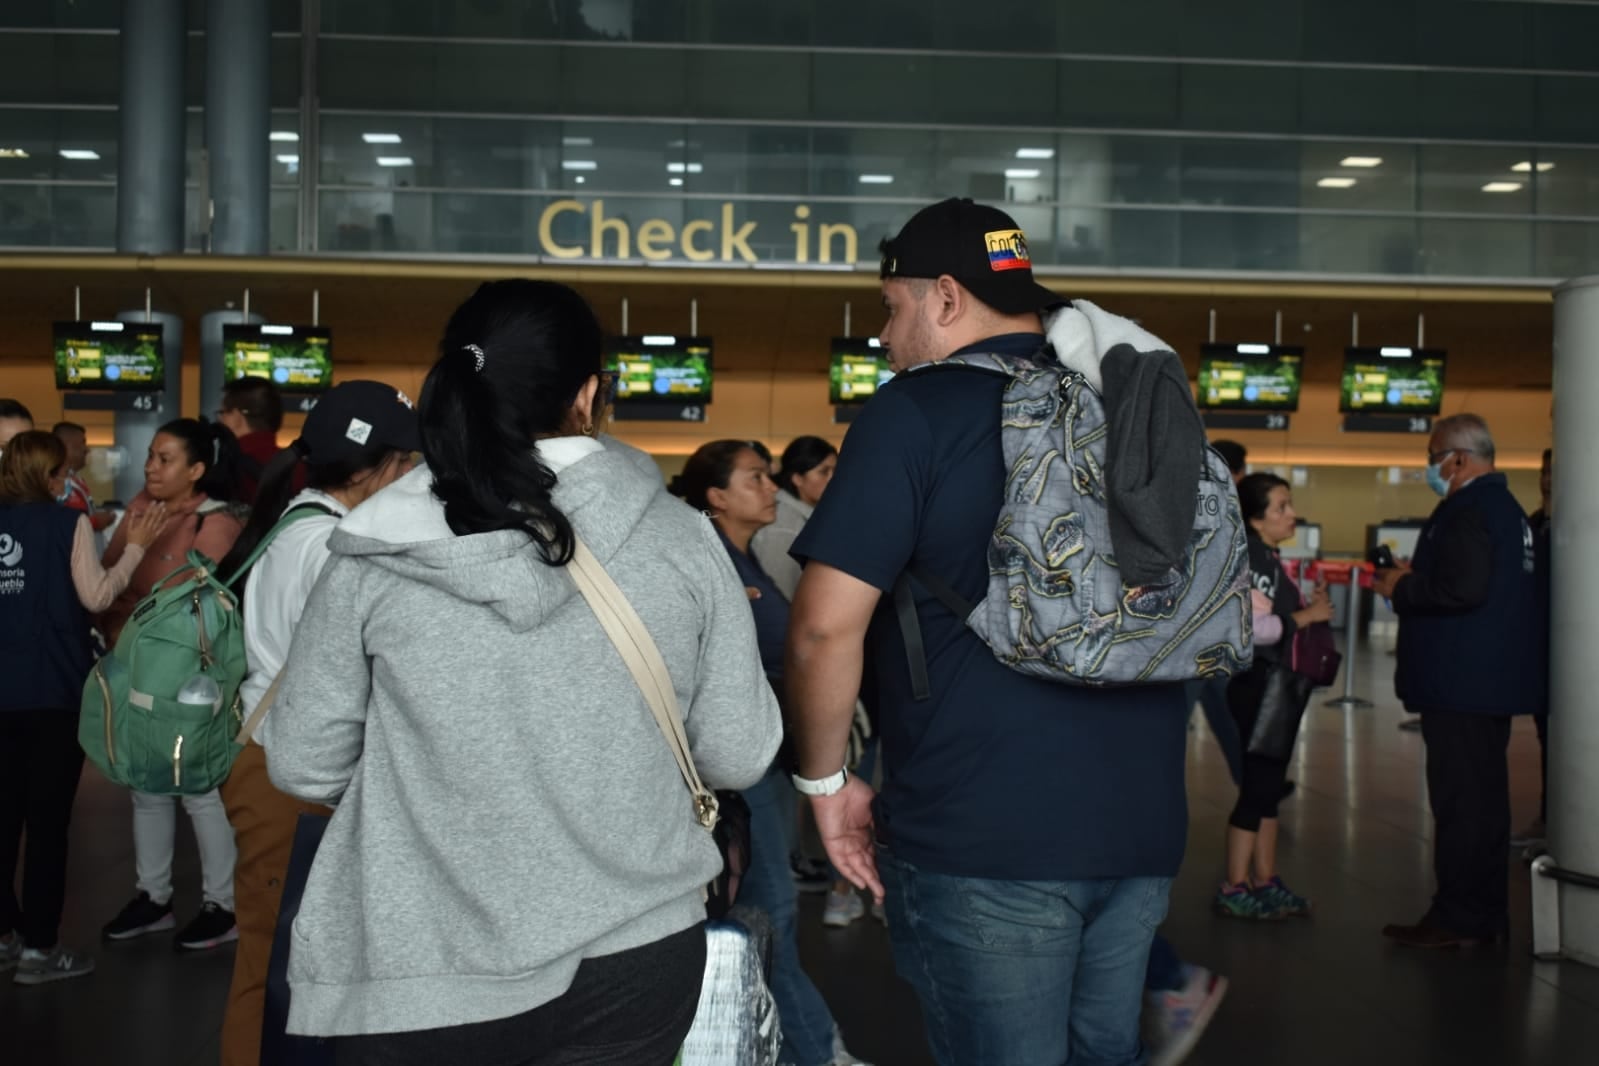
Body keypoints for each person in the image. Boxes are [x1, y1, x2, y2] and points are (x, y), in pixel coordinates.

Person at [260, 279, 782, 1063]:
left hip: (420, 964)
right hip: (634, 953)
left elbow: (303, 761)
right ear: (588, 393)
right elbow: (736, 753)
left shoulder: (373, 552)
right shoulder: (683, 541)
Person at [785, 198, 1188, 1064]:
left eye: (889, 309)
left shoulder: (912, 414)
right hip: (1142, 820)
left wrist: (824, 786)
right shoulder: (1123, 404)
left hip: (986, 831)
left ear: (942, 297)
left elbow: (823, 630)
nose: (883, 338)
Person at [214, 381, 418, 1066]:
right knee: (271, 968)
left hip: (275, 769)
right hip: (287, 780)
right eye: (411, 464)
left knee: (281, 963)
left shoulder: (296, 524)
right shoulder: (328, 546)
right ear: (381, 467)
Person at [671, 440, 869, 1066]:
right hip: (739, 773)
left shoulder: (746, 559)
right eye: (756, 478)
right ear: (715, 497)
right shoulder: (710, 566)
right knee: (771, 921)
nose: (770, 489)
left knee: (769, 920)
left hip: (766, 762)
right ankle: (818, 1052)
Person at [0, 432, 167, 985]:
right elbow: (96, 597)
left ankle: (4, 936)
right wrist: (137, 547)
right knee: (46, 825)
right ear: (49, 478)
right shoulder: (65, 522)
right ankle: (40, 951)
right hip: (51, 692)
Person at [1375, 414, 1543, 949]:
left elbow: (1462, 590)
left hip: (1462, 684)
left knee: (1462, 805)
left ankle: (1458, 918)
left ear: (1459, 459)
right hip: (1487, 682)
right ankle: (1484, 913)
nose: (1430, 467)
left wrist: (1403, 587)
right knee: (1485, 804)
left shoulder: (1469, 508)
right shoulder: (1507, 510)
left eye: (1433, 457)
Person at [98, 418, 246, 951]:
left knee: (199, 787)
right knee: (147, 786)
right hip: (134, 664)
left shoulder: (217, 521)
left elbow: (186, 598)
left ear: (198, 469)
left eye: (165, 459)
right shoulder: (138, 510)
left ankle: (221, 904)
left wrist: (130, 599)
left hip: (189, 676)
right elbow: (109, 577)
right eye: (151, 457)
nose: (150, 468)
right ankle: (153, 897)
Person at [750, 436, 862, 921]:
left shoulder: (809, 523)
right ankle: (804, 867)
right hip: (785, 683)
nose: (832, 481)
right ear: (797, 478)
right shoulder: (780, 533)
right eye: (822, 472)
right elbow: (803, 626)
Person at [1213, 473, 1330, 920]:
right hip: (1258, 685)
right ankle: (1235, 885)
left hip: (1273, 686)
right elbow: (1250, 629)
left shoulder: (1266, 557)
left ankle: (1265, 878)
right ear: (1255, 518)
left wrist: (1303, 608)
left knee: (1266, 789)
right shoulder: (1251, 559)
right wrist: (1307, 616)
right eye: (1280, 507)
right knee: (1258, 787)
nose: (1290, 514)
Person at [1513, 446, 1553, 849]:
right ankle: (1550, 817)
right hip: (1541, 652)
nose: (1547, 479)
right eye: (1544, 471)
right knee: (1548, 738)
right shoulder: (1534, 523)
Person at [217, 376, 286, 502]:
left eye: (222, 412)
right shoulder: (299, 466)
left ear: (237, 417)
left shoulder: (223, 469)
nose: (219, 419)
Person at [51, 421, 115, 533]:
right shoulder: (51, 483)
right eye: (83, 442)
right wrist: (96, 522)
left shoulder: (76, 480)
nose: (87, 449)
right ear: (65, 446)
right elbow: (62, 524)